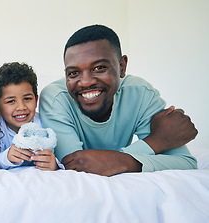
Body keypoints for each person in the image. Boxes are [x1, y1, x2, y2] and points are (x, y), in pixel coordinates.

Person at [39, 24, 198, 176]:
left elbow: (186, 162)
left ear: (122, 66)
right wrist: (155, 142)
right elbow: (73, 165)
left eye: (99, 68)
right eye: (73, 73)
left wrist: (122, 161)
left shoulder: (140, 93)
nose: (86, 82)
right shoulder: (55, 98)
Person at [0, 62, 60, 170]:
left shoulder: (44, 124)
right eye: (11, 101)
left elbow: (60, 157)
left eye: (27, 99)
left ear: (36, 100)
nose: (21, 107)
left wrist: (54, 164)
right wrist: (7, 157)